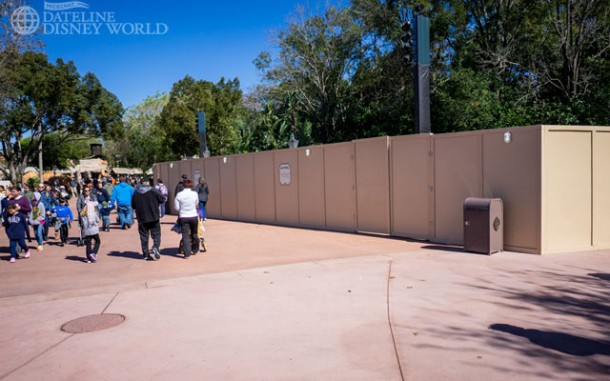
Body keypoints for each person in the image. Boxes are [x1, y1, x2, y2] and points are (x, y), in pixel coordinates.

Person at [132, 177, 165, 261]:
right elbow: (162, 199)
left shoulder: (136, 192)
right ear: (147, 182)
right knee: (156, 234)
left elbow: (133, 205)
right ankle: (155, 247)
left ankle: (146, 254)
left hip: (142, 218)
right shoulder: (153, 190)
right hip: (153, 216)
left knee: (144, 237)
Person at [173, 179, 199, 259]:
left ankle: (187, 253)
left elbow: (176, 207)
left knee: (185, 235)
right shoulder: (195, 194)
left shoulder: (179, 195)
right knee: (194, 233)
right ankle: (195, 249)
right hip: (193, 216)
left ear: (183, 185)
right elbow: (196, 203)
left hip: (183, 216)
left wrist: (182, 209)